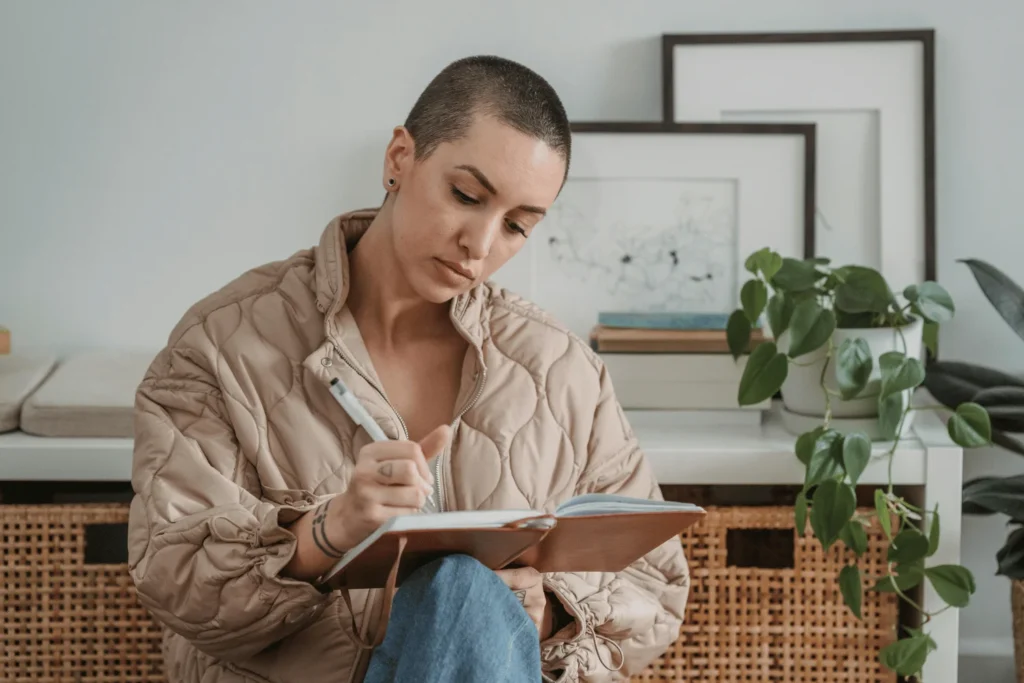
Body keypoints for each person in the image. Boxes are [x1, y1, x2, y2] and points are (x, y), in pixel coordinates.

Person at [127, 54, 690, 683]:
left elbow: (656, 589)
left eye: (517, 226)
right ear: (400, 158)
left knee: (462, 595)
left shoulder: (561, 370)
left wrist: (545, 614)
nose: (480, 244)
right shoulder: (221, 346)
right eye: (466, 196)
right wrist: (328, 532)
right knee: (460, 590)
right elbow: (176, 582)